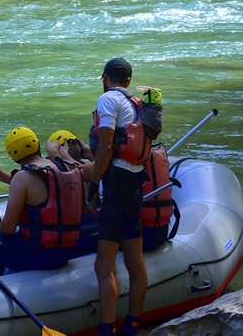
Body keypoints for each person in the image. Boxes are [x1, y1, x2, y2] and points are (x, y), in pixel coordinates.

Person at [90, 58, 149, 336]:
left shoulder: (108, 101)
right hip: (135, 181)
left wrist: (93, 177)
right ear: (128, 80)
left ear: (105, 78)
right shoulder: (136, 103)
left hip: (116, 184)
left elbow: (106, 145)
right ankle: (133, 324)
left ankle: (106, 329)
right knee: (135, 261)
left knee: (104, 264)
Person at [0, 126, 83, 272]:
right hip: (68, 250)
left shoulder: (22, 177)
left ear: (13, 155)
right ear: (37, 146)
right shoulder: (65, 168)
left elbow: (7, 228)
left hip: (38, 254)